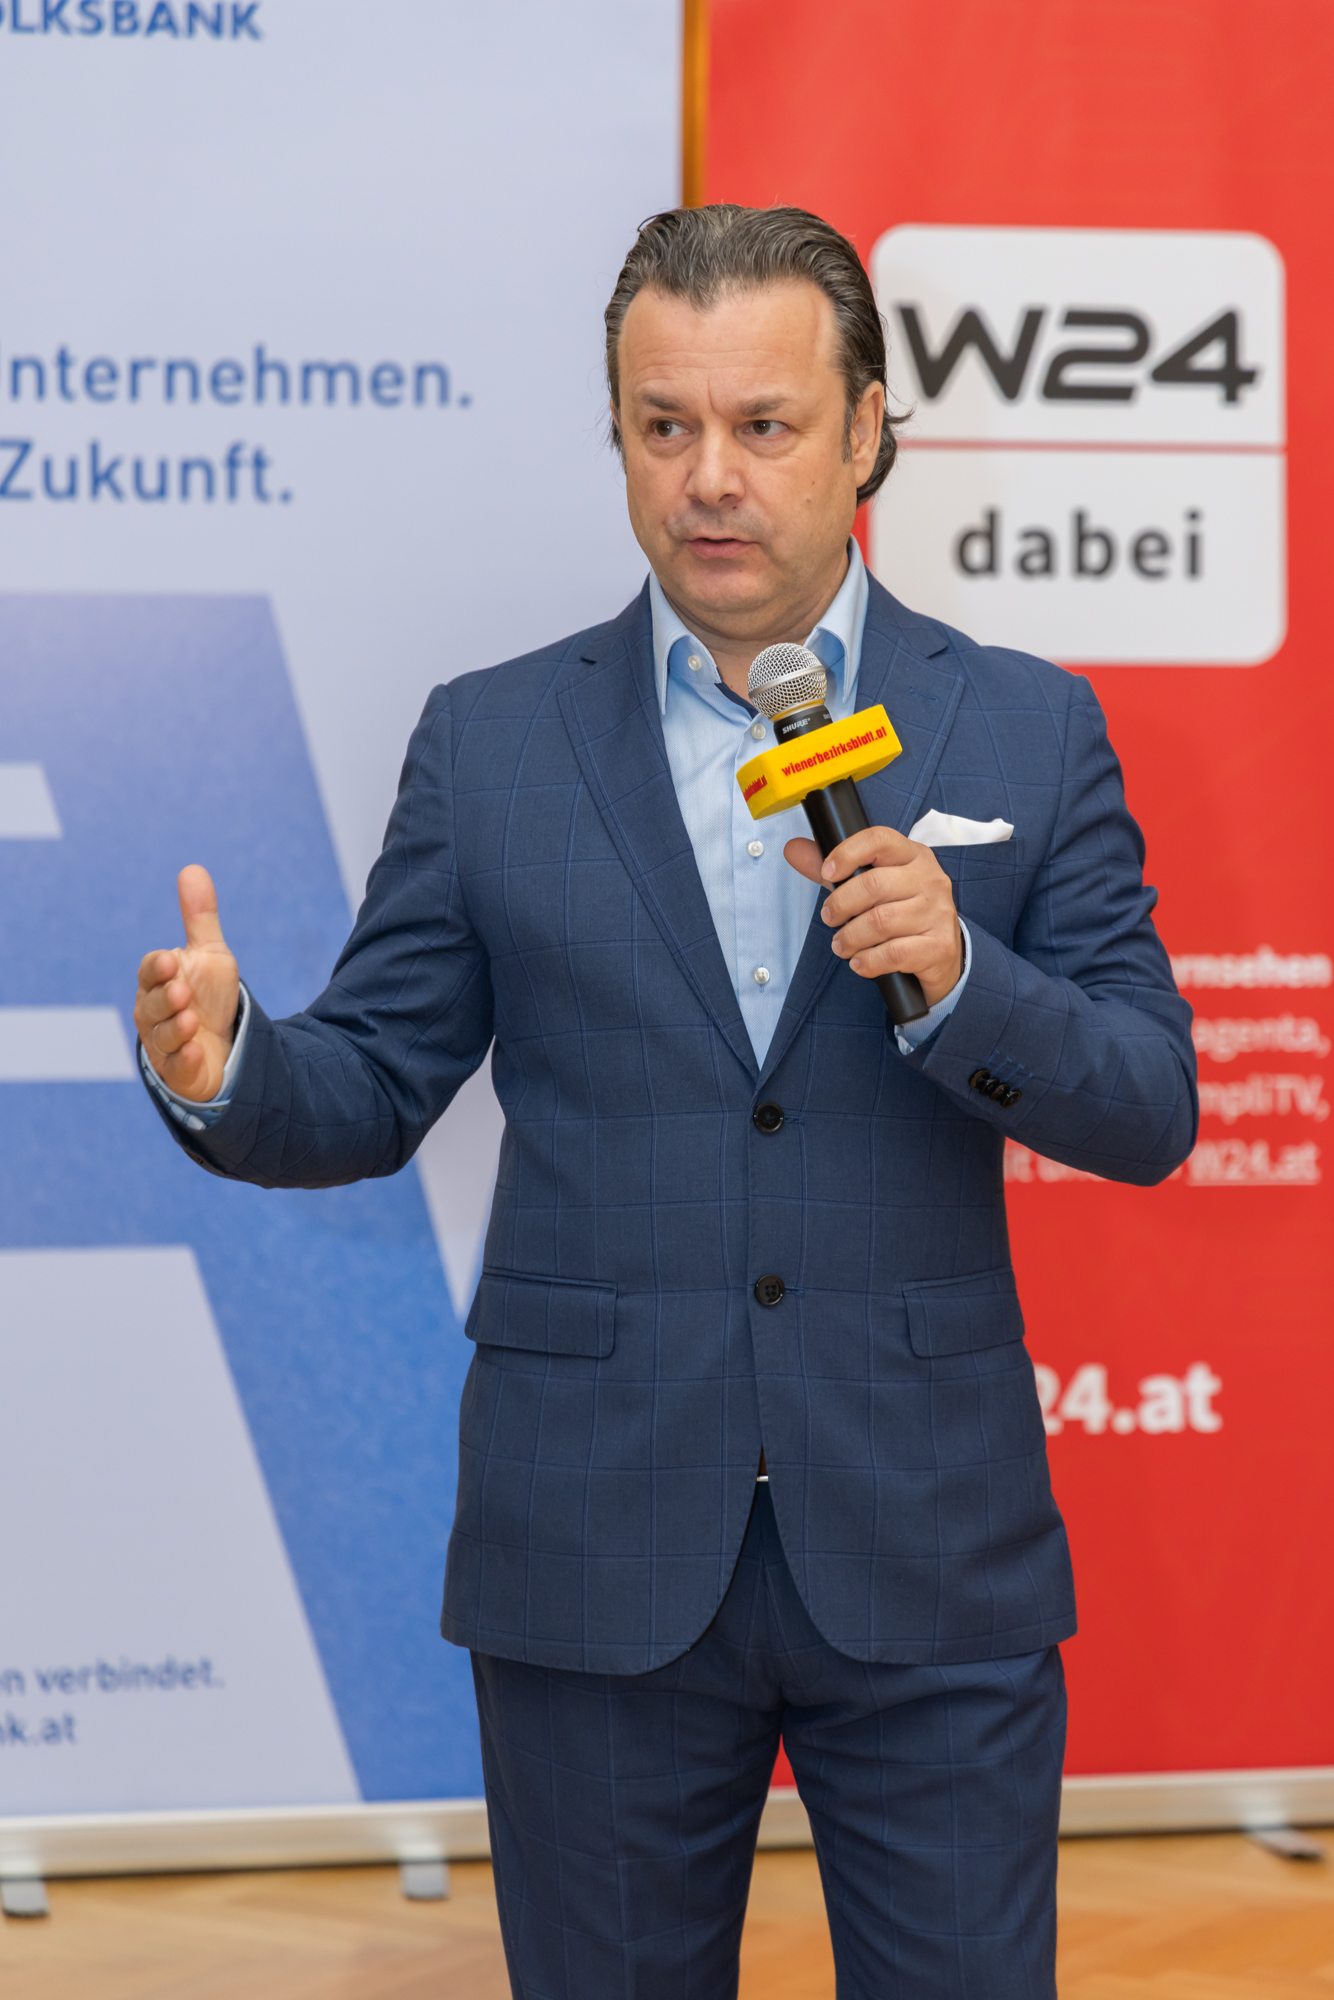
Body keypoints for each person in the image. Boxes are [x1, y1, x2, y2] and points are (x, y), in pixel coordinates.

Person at [134, 204, 1197, 1998]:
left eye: (764, 425)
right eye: (662, 425)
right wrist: (230, 1061)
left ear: (866, 432)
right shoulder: (491, 742)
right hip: (593, 1540)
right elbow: (372, 1085)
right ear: (618, 432)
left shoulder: (1024, 725)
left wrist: (963, 978)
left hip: (926, 1539)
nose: (710, 477)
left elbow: (1149, 1102)